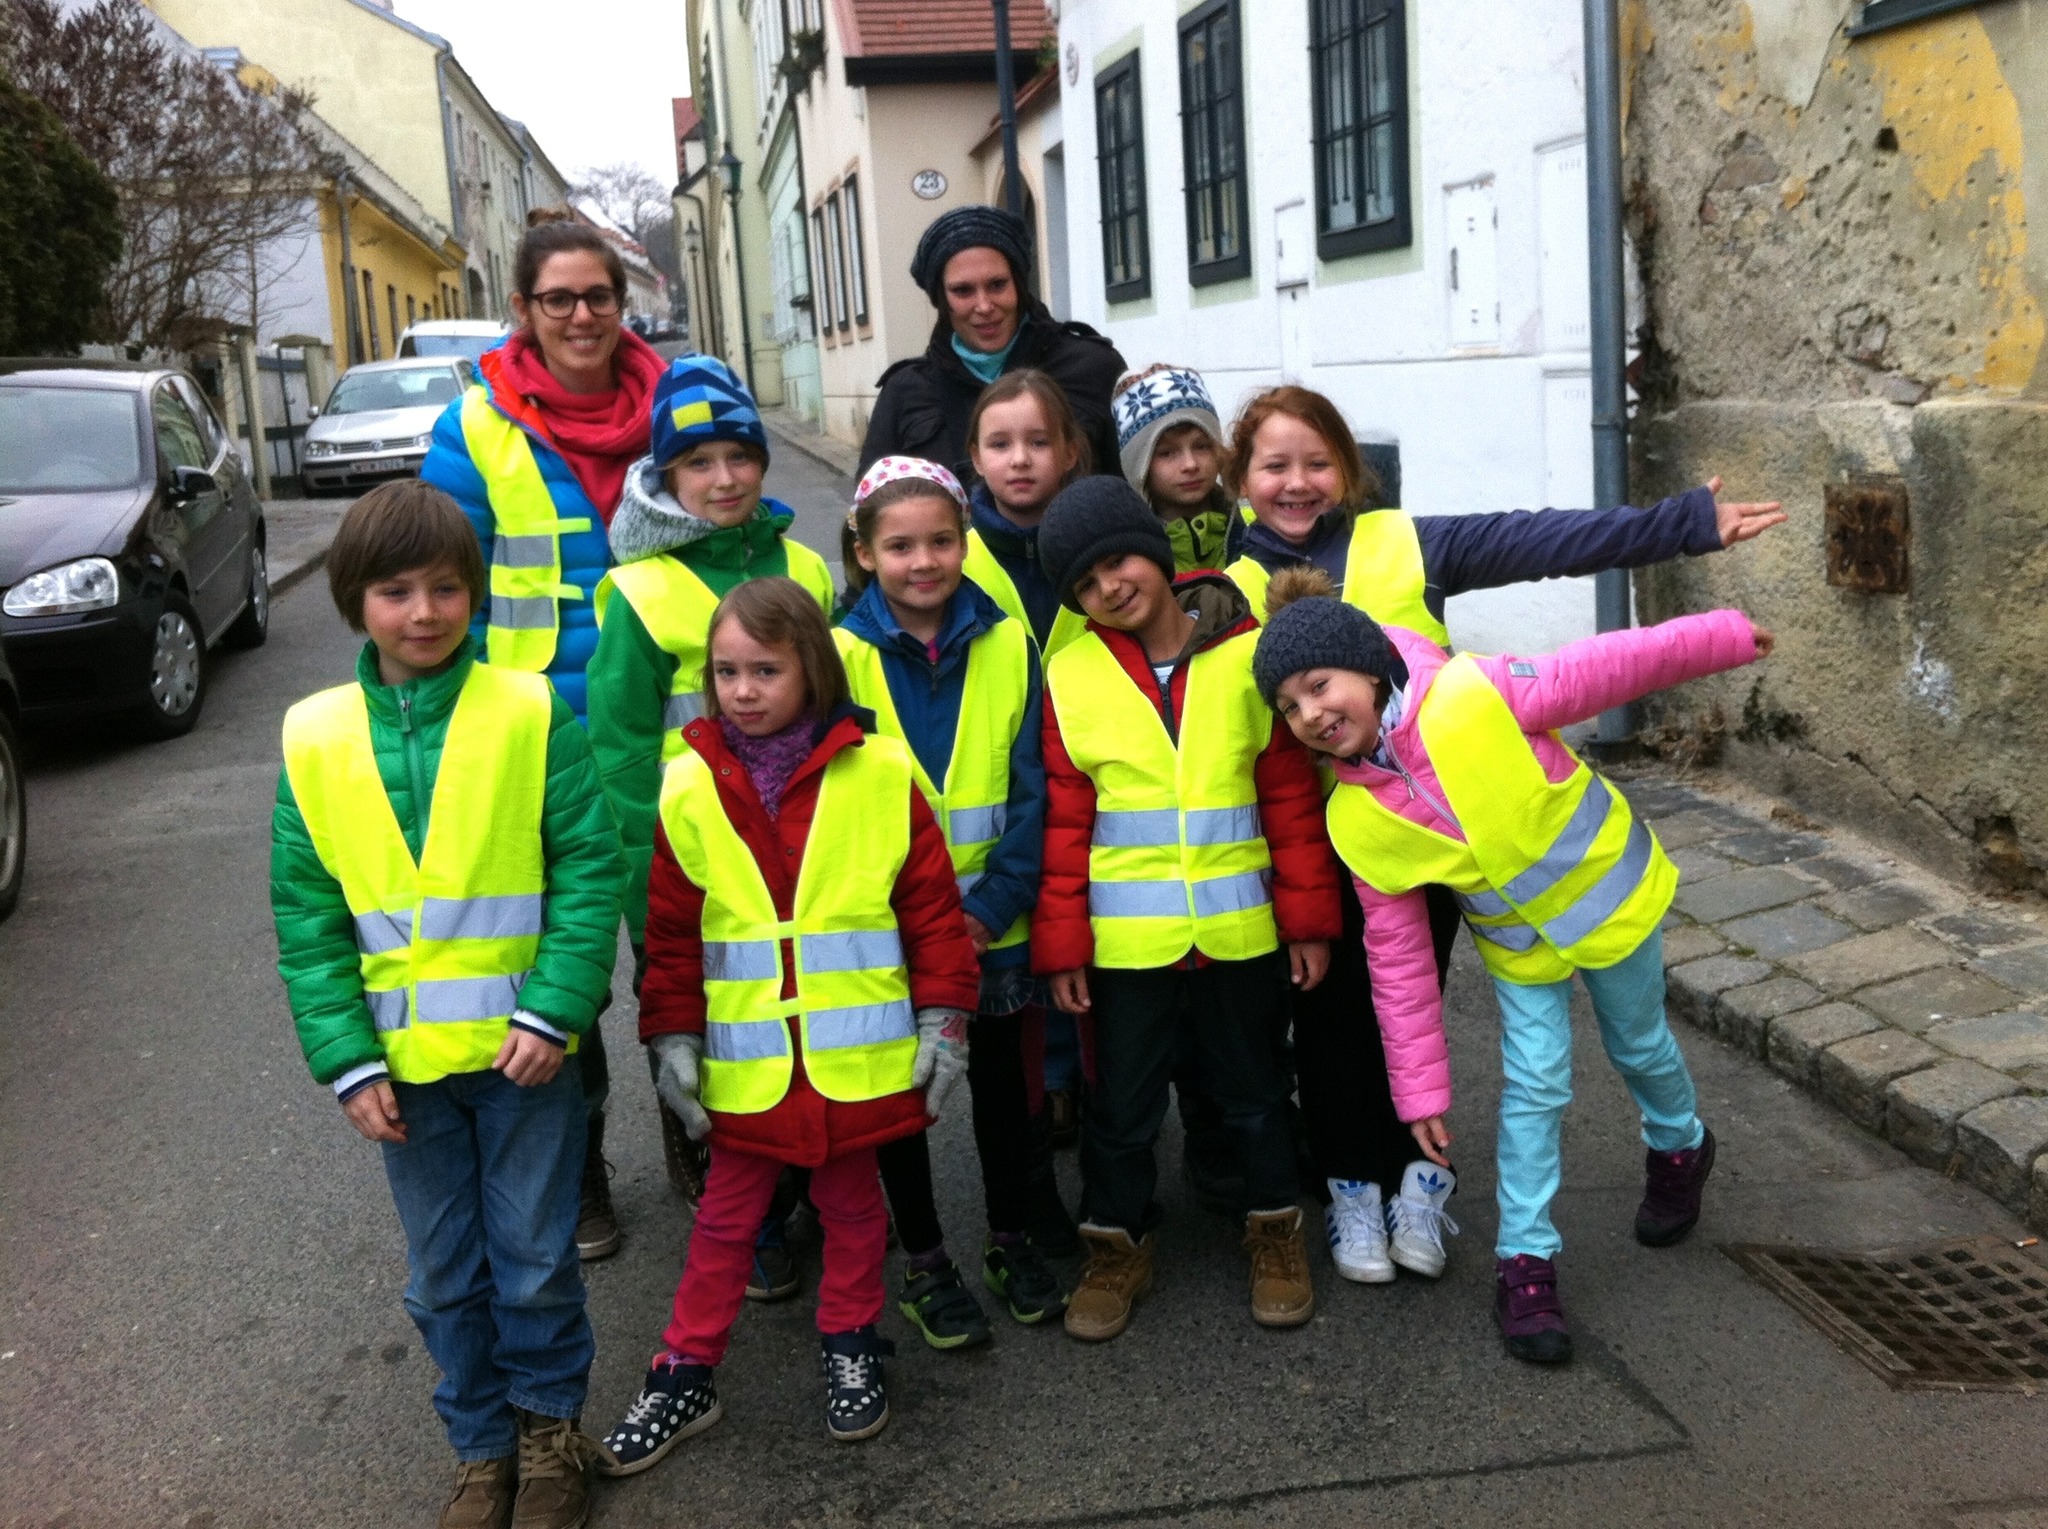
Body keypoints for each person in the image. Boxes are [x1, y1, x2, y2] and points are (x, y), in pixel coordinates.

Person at [1219, 383, 1787, 1289]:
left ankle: (1429, 1177)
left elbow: (1544, 551)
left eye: (1317, 461)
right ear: (1239, 478)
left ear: (1348, 469)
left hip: (1473, 825)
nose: (1296, 482)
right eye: (1273, 465)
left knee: (1593, 1034)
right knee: (1345, 1026)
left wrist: (1681, 526)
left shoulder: (1405, 550)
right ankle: (1431, 1213)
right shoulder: (1225, 586)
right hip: (1346, 830)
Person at [1252, 566, 1770, 1364]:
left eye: (1319, 685)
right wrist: (1420, 1094)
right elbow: (1398, 961)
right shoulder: (1356, 816)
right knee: (1535, 1085)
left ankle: (1680, 1146)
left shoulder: (1473, 694)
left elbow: (1604, 667)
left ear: (1369, 665)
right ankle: (1525, 1260)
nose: (1310, 713)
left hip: (1612, 905)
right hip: (1522, 949)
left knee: (1639, 1045)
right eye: (1289, 706)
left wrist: (1722, 636)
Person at [271, 482, 625, 1529]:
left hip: (526, 1060)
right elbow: (308, 914)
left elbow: (586, 867)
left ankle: (549, 1432)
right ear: (354, 599)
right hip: (402, 1075)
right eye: (395, 591)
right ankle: (480, 1448)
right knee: (444, 1275)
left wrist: (555, 1009)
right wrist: (347, 1060)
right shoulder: (313, 735)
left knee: (535, 1261)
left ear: (475, 591)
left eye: (444, 588)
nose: (423, 612)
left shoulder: (528, 710)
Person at [597, 579, 980, 1468]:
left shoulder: (882, 773)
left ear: (813, 668)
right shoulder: (688, 783)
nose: (741, 690)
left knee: (854, 1209)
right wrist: (672, 1036)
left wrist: (946, 1019)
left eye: (765, 670)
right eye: (725, 671)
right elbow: (673, 932)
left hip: (856, 1062)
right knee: (725, 1220)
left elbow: (930, 910)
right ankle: (684, 1369)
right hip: (752, 1067)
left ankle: (852, 1340)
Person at [1031, 478, 1344, 1341]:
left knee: (1255, 1092)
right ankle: (1115, 1245)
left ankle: (1274, 1233)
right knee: (1121, 1110)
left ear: (1154, 549)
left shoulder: (1249, 656)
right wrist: (1062, 945)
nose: (1109, 586)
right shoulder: (1071, 674)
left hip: (1240, 935)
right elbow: (1066, 821)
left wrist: (1307, 921)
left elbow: (1288, 800)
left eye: (1117, 560)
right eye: (1085, 582)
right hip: (1127, 951)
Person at [421, 206, 668, 1263]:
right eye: (558, 299)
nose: (580, 316)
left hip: (672, 738)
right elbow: (445, 591)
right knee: (562, 972)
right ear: (523, 308)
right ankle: (581, 1170)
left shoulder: (675, 407)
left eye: (597, 296)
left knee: (687, 958)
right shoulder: (473, 430)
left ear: (621, 303)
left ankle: (708, 1144)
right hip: (539, 748)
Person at [586, 354, 835, 1286]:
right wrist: (643, 890)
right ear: (667, 475)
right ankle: (744, 1207)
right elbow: (620, 757)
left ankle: (822, 1183)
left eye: (740, 455)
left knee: (811, 1014)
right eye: (698, 462)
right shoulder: (641, 592)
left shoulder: (805, 567)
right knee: (712, 1035)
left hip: (804, 856)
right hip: (695, 865)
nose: (724, 478)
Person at [836, 455, 1073, 1336]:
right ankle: (925, 1259)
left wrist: (988, 907)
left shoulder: (1010, 644)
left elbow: (1034, 790)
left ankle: (1010, 1236)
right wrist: (919, 924)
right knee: (902, 1099)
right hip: (887, 936)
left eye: (941, 540)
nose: (924, 561)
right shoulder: (838, 658)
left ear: (965, 543)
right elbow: (834, 813)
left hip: (992, 926)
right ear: (865, 552)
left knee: (1005, 1098)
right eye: (900, 546)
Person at [859, 205, 1125, 481]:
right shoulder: (905, 391)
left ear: (1019, 285)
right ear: (941, 298)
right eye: (963, 290)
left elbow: (1137, 487)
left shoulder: (1093, 367)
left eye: (997, 285)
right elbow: (871, 502)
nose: (984, 306)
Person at [1112, 363, 1235, 573]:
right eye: (1167, 453)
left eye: (1202, 446)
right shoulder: (1126, 555)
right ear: (1138, 465)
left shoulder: (1256, 530)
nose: (1190, 464)